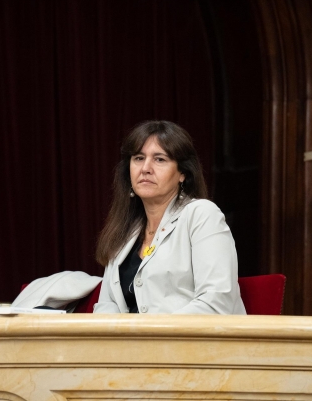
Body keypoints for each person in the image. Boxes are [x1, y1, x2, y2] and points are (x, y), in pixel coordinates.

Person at [93, 120, 246, 314]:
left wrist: (149, 338)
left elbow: (216, 302)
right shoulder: (124, 229)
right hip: (130, 343)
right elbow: (107, 304)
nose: (145, 168)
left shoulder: (202, 215)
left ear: (182, 173)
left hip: (191, 342)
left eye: (160, 159)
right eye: (139, 158)